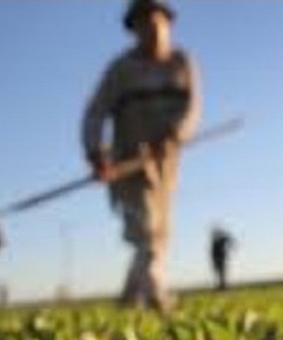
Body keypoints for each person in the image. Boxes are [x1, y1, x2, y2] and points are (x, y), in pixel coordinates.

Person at [82, 0, 201, 312]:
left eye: (155, 21)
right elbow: (95, 113)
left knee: (158, 232)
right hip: (129, 165)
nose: (150, 29)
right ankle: (156, 295)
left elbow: (191, 108)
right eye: (142, 23)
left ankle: (128, 297)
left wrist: (174, 135)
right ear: (133, 29)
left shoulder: (181, 63)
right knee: (146, 230)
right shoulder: (121, 70)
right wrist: (96, 153)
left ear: (168, 23)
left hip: (166, 167)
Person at [210, 226, 235, 291]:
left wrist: (230, 246)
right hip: (218, 259)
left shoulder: (219, 240)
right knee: (220, 274)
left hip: (220, 259)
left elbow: (229, 239)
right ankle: (222, 286)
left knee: (222, 274)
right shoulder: (215, 241)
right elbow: (212, 253)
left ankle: (222, 287)